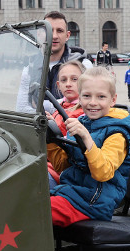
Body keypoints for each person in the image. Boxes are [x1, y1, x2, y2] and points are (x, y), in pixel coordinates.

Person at [47, 66, 130, 227]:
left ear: (113, 100)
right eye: (87, 96)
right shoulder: (82, 123)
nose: (93, 102)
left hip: (95, 201)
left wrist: (87, 139)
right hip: (73, 193)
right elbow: (64, 167)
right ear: (80, 99)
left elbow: (103, 172)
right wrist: (51, 139)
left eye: (101, 97)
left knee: (36, 212)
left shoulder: (117, 133)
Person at [46, 60, 86, 189]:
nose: (68, 84)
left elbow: (70, 153)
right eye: (63, 80)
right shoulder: (60, 107)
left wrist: (52, 128)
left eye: (74, 79)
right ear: (58, 85)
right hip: (47, 163)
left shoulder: (85, 113)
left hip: (61, 172)